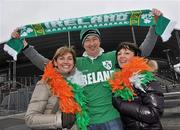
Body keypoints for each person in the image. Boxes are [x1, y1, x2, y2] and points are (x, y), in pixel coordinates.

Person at [11, 9, 162, 130]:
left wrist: (154, 27)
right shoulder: (76, 63)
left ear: (99, 40)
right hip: (88, 122)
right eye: (87, 40)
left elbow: (140, 52)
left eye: (94, 39)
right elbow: (48, 65)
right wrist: (26, 47)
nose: (91, 43)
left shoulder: (112, 57)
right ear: (83, 44)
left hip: (114, 119)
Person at [25, 46, 87, 130]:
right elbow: (30, 119)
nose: (66, 62)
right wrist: (59, 120)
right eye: (61, 58)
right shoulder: (45, 84)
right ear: (55, 62)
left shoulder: (77, 85)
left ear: (74, 63)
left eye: (69, 58)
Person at [110, 42, 164, 130]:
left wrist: (122, 105)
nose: (121, 56)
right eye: (119, 54)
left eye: (127, 53)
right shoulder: (120, 80)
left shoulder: (145, 78)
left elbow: (154, 113)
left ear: (136, 56)